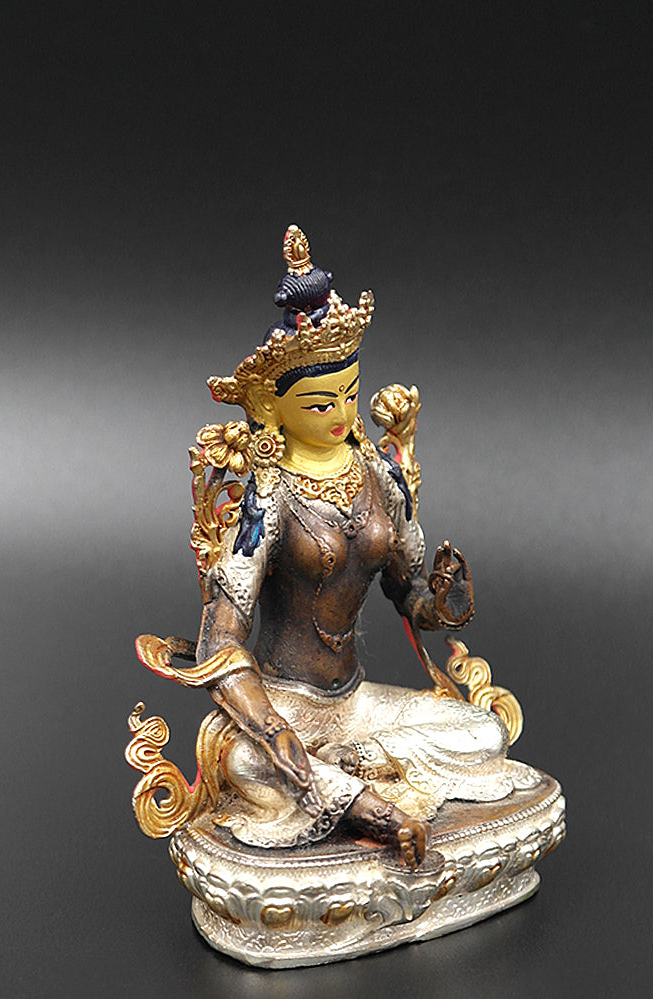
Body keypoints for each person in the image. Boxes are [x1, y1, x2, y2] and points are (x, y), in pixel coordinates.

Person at [138, 227, 530, 867]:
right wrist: (276, 733)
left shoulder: (378, 476)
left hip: (355, 706)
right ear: (273, 410)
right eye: (321, 403)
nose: (343, 414)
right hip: (287, 705)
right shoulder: (268, 498)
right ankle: (363, 804)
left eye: (350, 393)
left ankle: (350, 774)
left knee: (482, 732)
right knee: (248, 764)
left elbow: (410, 595)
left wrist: (445, 600)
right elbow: (219, 646)